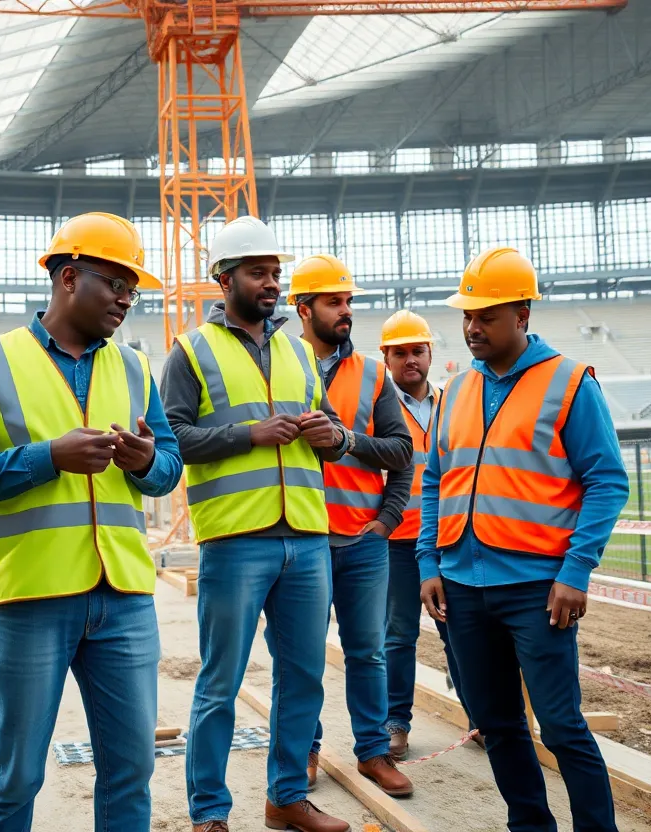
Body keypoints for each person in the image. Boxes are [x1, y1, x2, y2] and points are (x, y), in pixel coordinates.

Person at [0, 212, 183, 832]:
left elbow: (168, 466)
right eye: (115, 284)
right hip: (32, 594)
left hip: (124, 596)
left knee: (131, 769)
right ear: (68, 277)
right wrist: (48, 458)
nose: (126, 299)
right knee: (14, 776)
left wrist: (145, 462)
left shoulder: (135, 368)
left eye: (132, 290)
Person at [417, 247, 629, 832]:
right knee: (497, 724)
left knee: (561, 726)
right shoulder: (455, 390)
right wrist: (428, 562)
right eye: (468, 315)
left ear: (522, 316)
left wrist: (575, 572)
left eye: (486, 316)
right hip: (461, 587)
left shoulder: (569, 383)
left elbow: (607, 481)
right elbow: (435, 479)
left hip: (537, 589)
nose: (472, 327)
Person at [162, 217, 351, 832]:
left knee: (304, 679)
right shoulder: (191, 351)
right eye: (257, 273)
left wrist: (331, 435)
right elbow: (173, 439)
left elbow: (330, 429)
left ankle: (286, 798)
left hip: (307, 537)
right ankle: (209, 813)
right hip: (236, 540)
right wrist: (249, 434)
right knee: (220, 683)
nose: (271, 283)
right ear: (224, 279)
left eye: (275, 273)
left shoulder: (299, 351)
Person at [285, 255, 415, 797]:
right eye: (334, 302)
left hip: (362, 541)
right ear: (303, 308)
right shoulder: (278, 365)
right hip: (300, 539)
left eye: (348, 302)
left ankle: (373, 751)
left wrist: (385, 520)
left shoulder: (373, 373)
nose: (346, 311)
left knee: (368, 652)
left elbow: (402, 451)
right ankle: (303, 752)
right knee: (301, 659)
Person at [378, 310, 478, 754]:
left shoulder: (451, 402)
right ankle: (395, 722)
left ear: (430, 353)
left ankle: (480, 719)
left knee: (459, 634)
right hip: (398, 542)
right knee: (399, 635)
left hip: (445, 540)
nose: (410, 360)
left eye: (417, 350)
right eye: (399, 353)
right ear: (386, 357)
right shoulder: (380, 406)